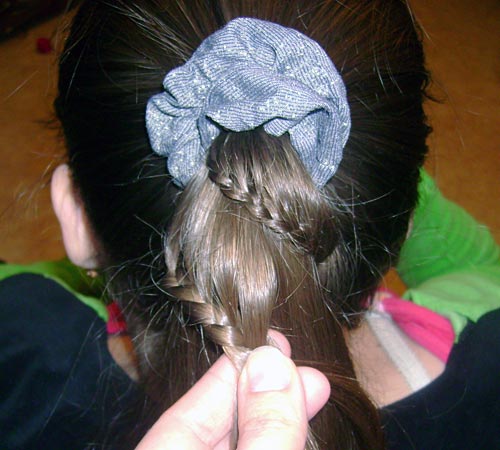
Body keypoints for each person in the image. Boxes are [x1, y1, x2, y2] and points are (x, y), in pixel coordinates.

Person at [0, 0, 499, 449]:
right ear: (405, 222)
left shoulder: (21, 341)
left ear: (74, 219)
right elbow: (482, 267)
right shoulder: (486, 372)